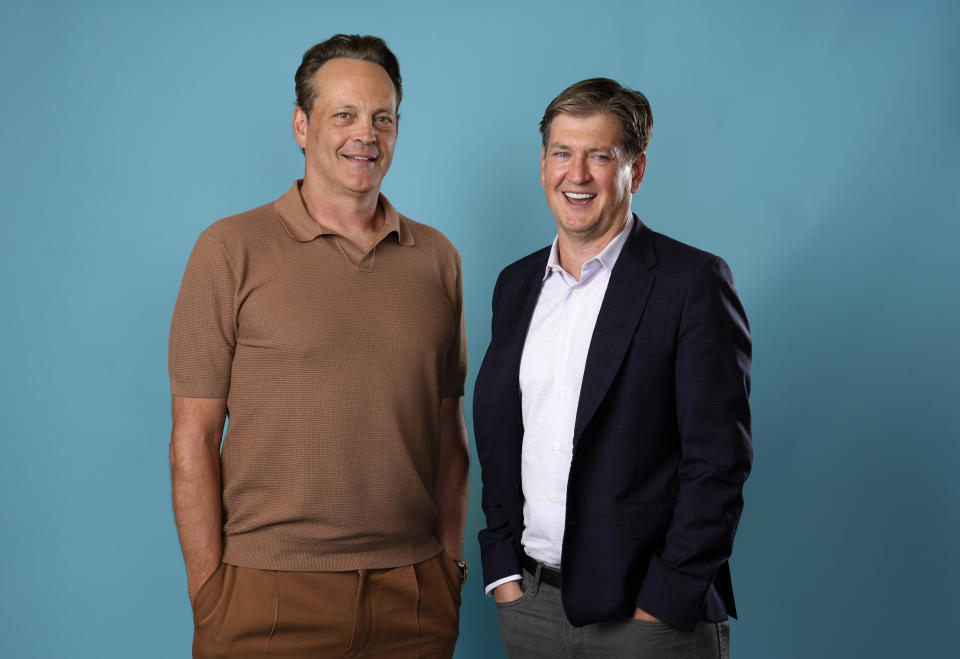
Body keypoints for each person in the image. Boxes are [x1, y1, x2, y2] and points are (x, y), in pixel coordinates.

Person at [168, 34, 469, 658]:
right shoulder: (229, 249)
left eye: (382, 118)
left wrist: (447, 569)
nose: (366, 134)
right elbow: (193, 438)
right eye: (344, 115)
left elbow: (448, 431)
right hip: (265, 595)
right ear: (302, 126)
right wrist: (211, 596)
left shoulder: (437, 259)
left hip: (411, 596)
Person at [473, 77, 752, 659]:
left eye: (600, 156)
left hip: (647, 620)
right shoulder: (516, 285)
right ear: (543, 162)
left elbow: (718, 463)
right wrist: (502, 573)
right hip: (532, 608)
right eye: (562, 153)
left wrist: (663, 604)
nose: (576, 175)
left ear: (636, 170)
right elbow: (502, 437)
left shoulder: (692, 283)